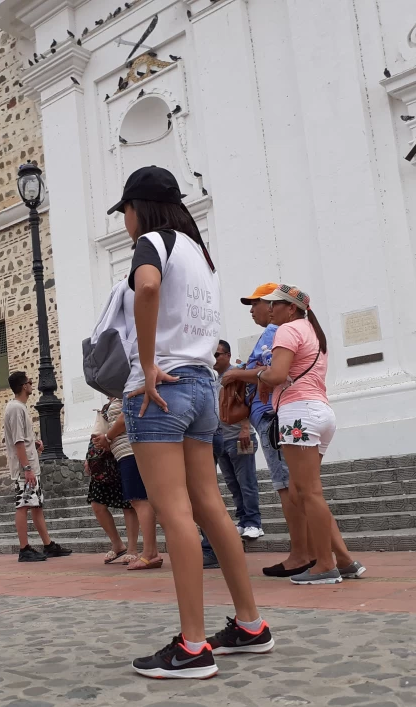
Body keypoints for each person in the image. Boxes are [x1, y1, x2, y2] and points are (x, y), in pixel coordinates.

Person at [110, 166, 274, 679]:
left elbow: (147, 287)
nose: (125, 221)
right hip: (202, 384)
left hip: (161, 388)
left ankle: (193, 645)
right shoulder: (201, 255)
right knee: (210, 506)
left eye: (125, 211)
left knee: (175, 512)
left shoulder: (152, 243)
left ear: (138, 207)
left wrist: (147, 362)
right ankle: (250, 623)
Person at [253, 285, 365, 585]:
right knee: (302, 491)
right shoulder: (313, 332)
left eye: (275, 304)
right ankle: (344, 560)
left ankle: (325, 564)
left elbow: (277, 375)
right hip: (320, 412)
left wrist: (259, 375)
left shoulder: (288, 330)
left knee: (308, 492)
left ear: (291, 308)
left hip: (298, 413)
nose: (270, 309)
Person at [224, 283, 314, 577]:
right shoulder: (296, 330)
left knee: (288, 487)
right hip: (284, 415)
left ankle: (302, 555)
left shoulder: (279, 331)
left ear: (281, 306)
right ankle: (319, 554)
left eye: (257, 303)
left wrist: (238, 374)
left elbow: (274, 374)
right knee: (299, 487)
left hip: (275, 416)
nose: (253, 310)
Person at [200, 339, 264, 568]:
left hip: (240, 435)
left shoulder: (238, 373)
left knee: (247, 481)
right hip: (221, 438)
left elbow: (248, 400)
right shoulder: (213, 378)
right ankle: (242, 519)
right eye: (212, 355)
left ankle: (253, 522)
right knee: (232, 483)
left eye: (217, 354)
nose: (214, 359)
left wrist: (246, 427)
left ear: (227, 355)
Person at [3, 371, 73, 562]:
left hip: (30, 466)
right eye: (30, 382)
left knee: (36, 506)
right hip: (25, 469)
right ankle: (24, 549)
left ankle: (48, 545)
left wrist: (33, 444)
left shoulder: (18, 407)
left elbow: (22, 440)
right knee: (23, 505)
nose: (32, 384)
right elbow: (17, 441)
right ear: (24, 386)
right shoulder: (16, 408)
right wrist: (26, 469)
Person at [94, 396, 162, 570]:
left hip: (130, 450)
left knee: (140, 501)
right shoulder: (118, 394)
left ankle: (150, 553)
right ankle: (151, 551)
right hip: (126, 452)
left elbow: (125, 417)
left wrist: (108, 437)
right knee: (139, 501)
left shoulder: (126, 390)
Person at [85, 400, 134, 565]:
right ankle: (117, 544)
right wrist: (89, 456)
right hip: (102, 462)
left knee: (129, 504)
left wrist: (108, 438)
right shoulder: (106, 407)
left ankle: (132, 548)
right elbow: (96, 432)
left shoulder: (124, 397)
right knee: (97, 503)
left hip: (121, 454)